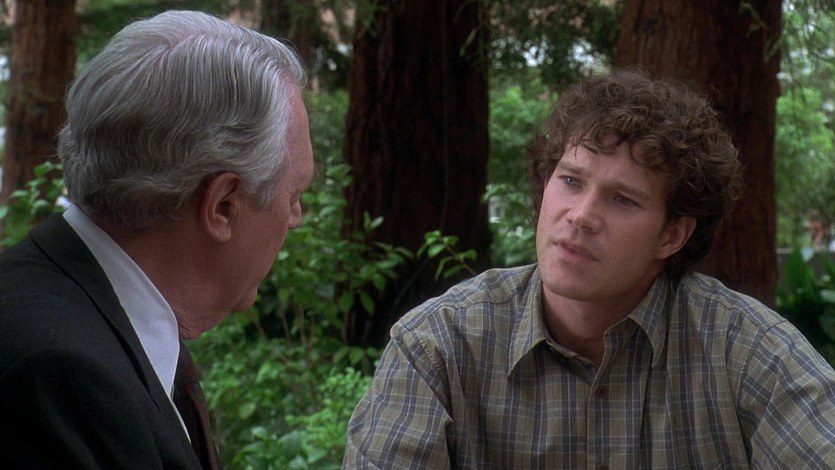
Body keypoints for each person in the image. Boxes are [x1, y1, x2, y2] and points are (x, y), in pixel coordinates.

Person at [343, 69, 835, 468]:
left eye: (623, 200)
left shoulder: (748, 352)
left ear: (672, 235)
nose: (581, 216)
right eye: (571, 181)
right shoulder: (438, 346)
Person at [0, 10, 314, 469]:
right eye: (294, 195)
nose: (296, 218)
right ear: (223, 205)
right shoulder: (58, 377)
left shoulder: (79, 312)